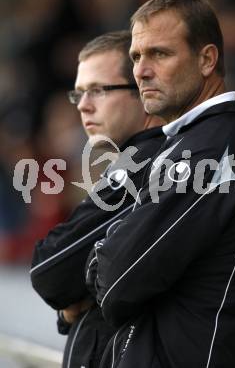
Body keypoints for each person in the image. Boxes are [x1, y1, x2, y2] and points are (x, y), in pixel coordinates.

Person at [86, 0, 235, 368]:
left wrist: (103, 256)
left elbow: (113, 278)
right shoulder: (191, 143)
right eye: (136, 57)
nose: (142, 71)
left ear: (207, 59)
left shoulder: (215, 151)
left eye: (159, 54)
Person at [30, 30, 164, 368]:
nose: (84, 106)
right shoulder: (130, 159)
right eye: (78, 94)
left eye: (98, 91)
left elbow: (49, 268)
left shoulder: (148, 162)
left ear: (142, 91)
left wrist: (73, 295)